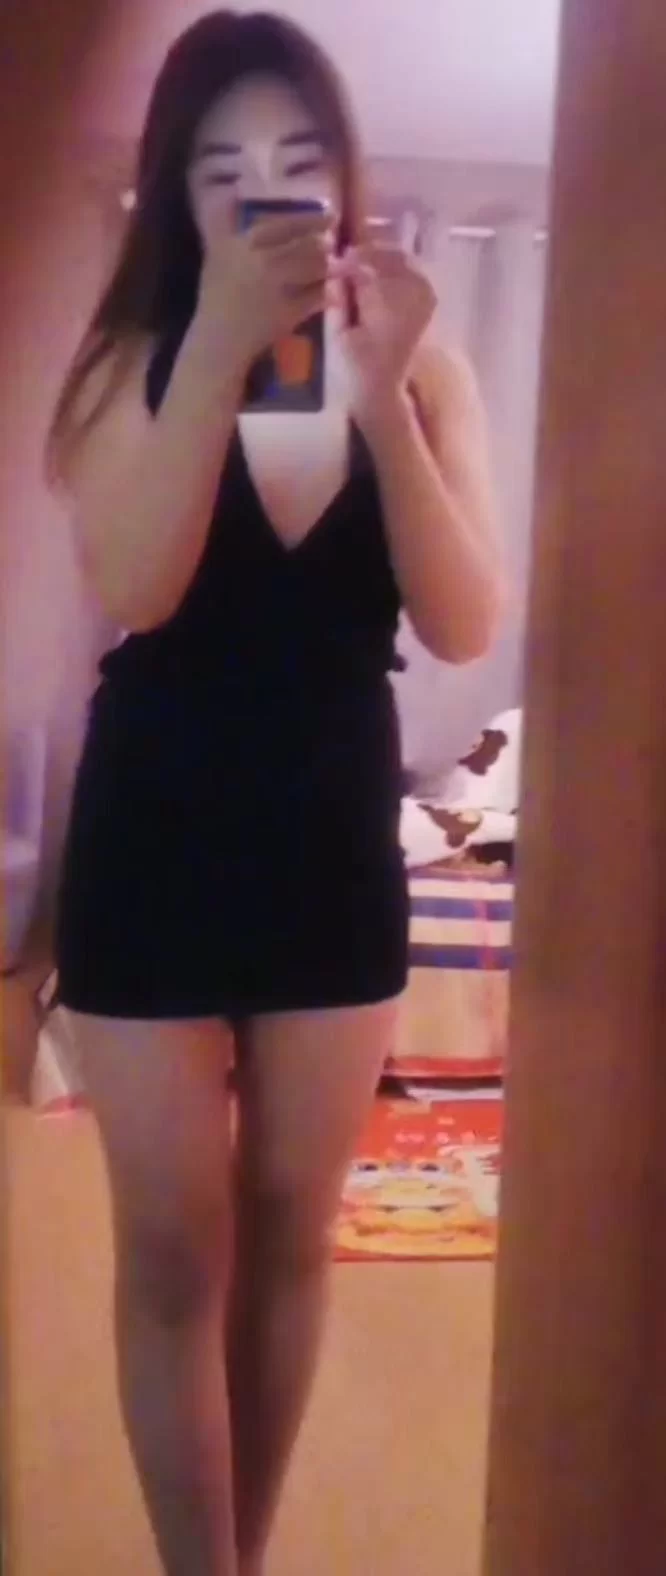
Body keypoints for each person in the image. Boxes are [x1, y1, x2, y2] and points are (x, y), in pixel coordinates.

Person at [46, 11, 504, 1575]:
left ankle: (244, 1552)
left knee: (294, 1233)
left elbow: (463, 622)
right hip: (154, 829)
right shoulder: (125, 360)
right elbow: (137, 585)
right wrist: (219, 352)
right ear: (175, 196)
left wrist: (378, 401)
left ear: (348, 182)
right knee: (174, 1250)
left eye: (299, 161)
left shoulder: (423, 361)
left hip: (329, 829)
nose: (266, 195)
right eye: (222, 168)